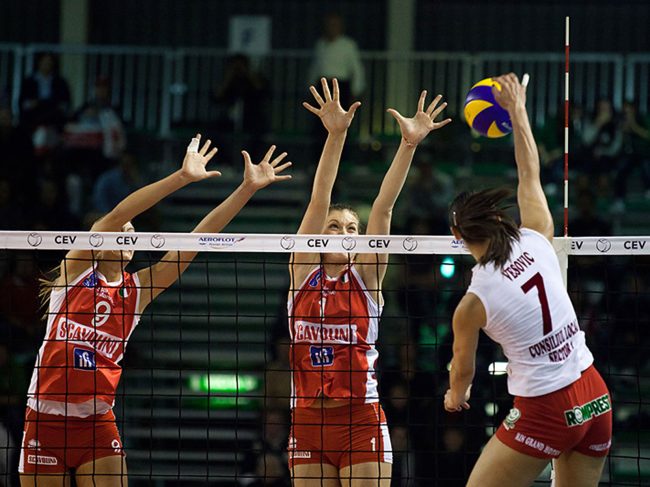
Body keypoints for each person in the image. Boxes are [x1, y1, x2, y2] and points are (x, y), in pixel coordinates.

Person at [19, 135, 292, 486]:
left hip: (97, 423)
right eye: (119, 232)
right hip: (45, 417)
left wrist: (246, 189)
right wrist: (181, 177)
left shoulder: (138, 291)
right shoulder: (76, 272)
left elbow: (197, 240)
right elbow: (118, 214)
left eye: (132, 233)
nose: (125, 234)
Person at [444, 74, 612, 487]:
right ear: (501, 219)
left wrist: (456, 396)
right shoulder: (536, 238)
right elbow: (528, 174)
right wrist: (518, 111)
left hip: (546, 409)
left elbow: (462, 372)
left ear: (458, 239)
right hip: (594, 395)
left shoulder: (472, 303)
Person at [288, 78, 450, 486]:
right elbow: (319, 197)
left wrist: (409, 145)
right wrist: (336, 135)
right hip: (307, 420)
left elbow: (384, 206)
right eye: (334, 227)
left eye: (351, 228)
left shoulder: (367, 275)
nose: (343, 233)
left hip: (361, 419)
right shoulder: (302, 270)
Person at [307, 13, 365, 110]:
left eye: (335, 25)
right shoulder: (320, 44)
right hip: (322, 85)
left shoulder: (348, 45)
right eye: (329, 25)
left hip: (341, 86)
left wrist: (356, 90)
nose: (331, 28)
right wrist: (310, 87)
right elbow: (315, 68)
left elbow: (357, 69)